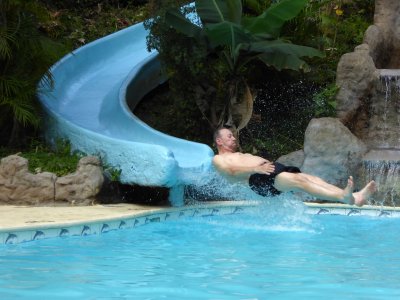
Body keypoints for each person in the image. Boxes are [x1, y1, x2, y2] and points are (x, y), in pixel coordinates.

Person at [212, 127, 377, 206]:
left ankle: (354, 197)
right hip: (256, 180)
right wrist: (255, 169)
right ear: (219, 141)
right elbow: (231, 172)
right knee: (300, 182)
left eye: (233, 135)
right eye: (229, 136)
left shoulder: (240, 154)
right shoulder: (218, 159)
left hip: (270, 170)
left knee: (307, 177)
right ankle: (343, 198)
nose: (233, 138)